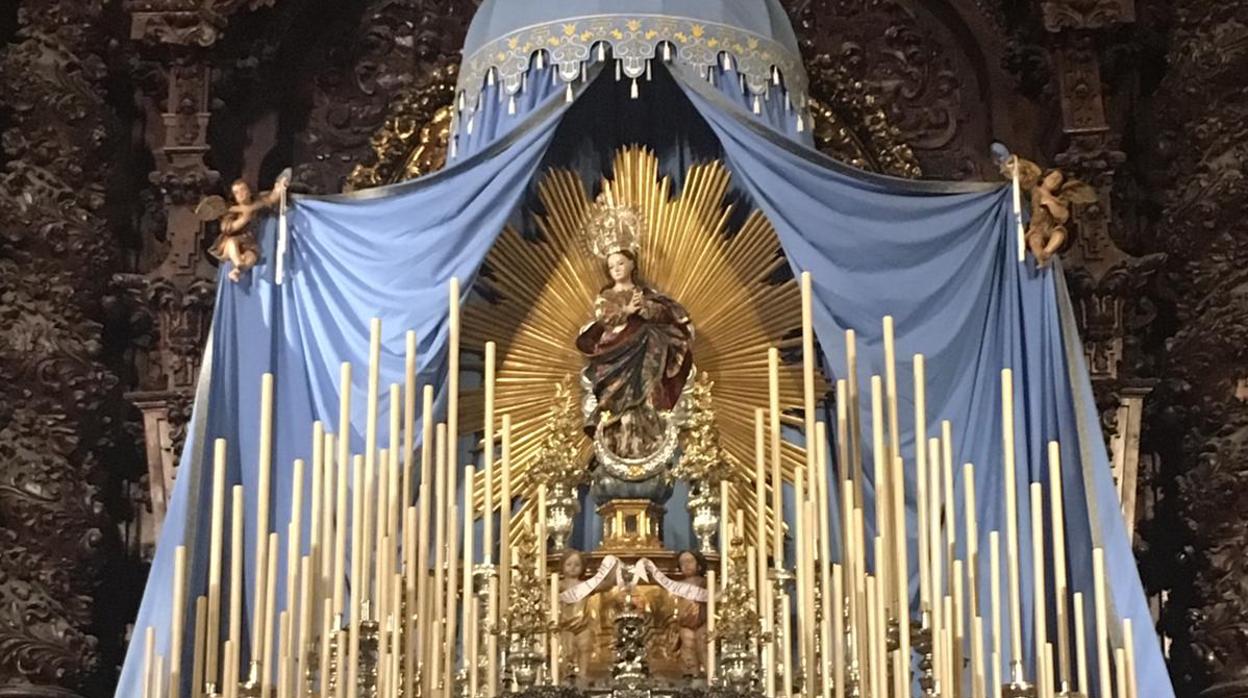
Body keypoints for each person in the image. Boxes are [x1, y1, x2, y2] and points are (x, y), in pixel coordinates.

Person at [575, 247, 694, 460]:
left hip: (647, 350)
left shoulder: (646, 295)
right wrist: (626, 312)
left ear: (632, 264)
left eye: (621, 263)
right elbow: (604, 320)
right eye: (611, 266)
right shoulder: (606, 296)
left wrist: (644, 309)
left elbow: (665, 315)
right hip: (614, 354)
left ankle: (647, 444)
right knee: (612, 398)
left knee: (649, 393)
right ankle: (616, 444)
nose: (616, 269)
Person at [208, 176, 288, 282]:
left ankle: (239, 270)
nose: (241, 194)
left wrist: (280, 186)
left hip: (248, 242)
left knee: (252, 256)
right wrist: (244, 219)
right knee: (232, 243)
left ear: (249, 191)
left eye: (243, 190)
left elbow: (271, 198)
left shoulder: (258, 204)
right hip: (233, 241)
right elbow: (228, 228)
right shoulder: (233, 211)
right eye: (237, 192)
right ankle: (238, 263)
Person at [558, 549, 597, 686]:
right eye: (569, 564)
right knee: (566, 650)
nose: (573, 568)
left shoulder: (585, 585)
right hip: (566, 625)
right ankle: (565, 676)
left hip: (583, 624)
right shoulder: (559, 585)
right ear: (562, 566)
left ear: (582, 567)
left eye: (577, 564)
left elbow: (604, 585)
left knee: (584, 648)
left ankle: (583, 675)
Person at [673, 550, 708, 678]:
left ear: (699, 565)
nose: (686, 565)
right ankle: (692, 675)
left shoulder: (706, 583)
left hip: (703, 621)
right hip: (685, 623)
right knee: (688, 647)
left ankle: (708, 675)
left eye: (689, 561)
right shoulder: (678, 586)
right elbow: (675, 605)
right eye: (682, 563)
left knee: (703, 647)